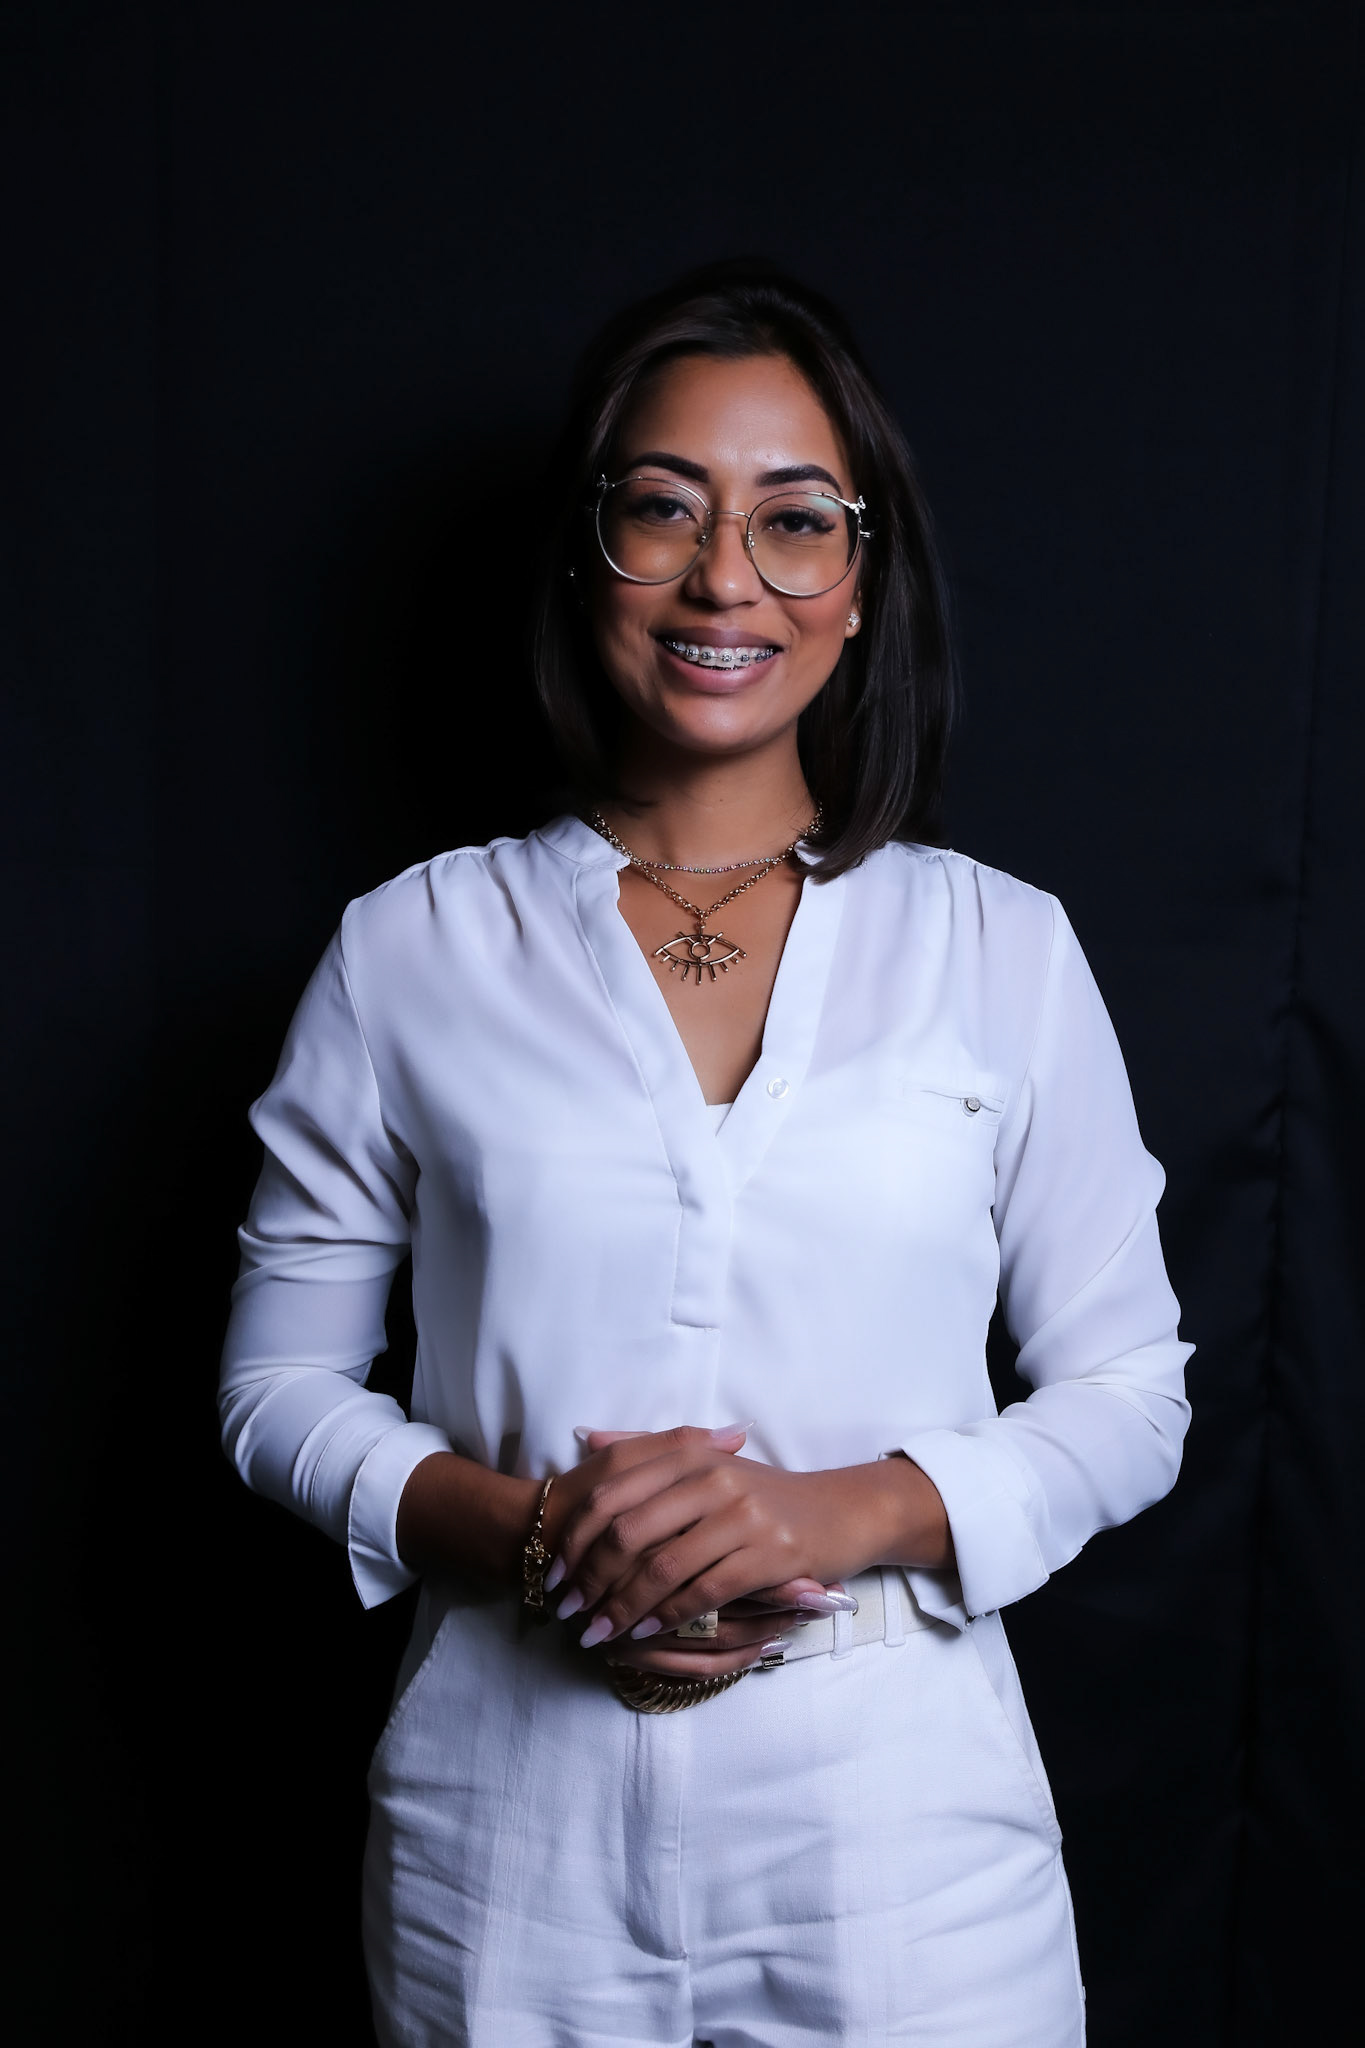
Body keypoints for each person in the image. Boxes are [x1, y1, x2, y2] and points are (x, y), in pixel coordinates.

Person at [219, 261, 1192, 2047]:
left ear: (860, 580)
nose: (723, 576)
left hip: (903, 1828)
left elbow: (1131, 1394)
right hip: (503, 1835)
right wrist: (535, 1539)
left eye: (792, 521)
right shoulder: (412, 947)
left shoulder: (999, 948)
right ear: (588, 553)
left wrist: (840, 1510)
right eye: (662, 506)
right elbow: (274, 1390)